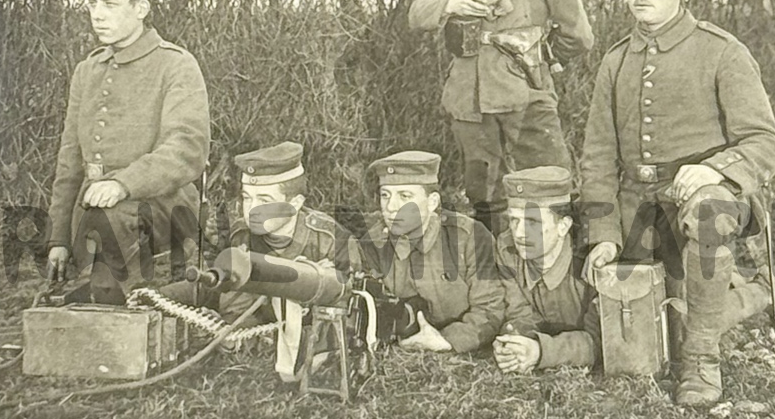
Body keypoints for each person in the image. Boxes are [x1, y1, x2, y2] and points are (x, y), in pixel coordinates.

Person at [578, 0, 775, 407]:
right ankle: (760, 292)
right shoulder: (615, 62)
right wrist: (603, 232)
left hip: (706, 202)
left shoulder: (721, 52)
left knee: (709, 217)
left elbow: (768, 142)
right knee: (636, 318)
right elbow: (597, 157)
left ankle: (701, 360)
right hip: (639, 207)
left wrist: (714, 170)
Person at [409, 0, 593, 234]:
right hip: (470, 102)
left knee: (549, 190)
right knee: (484, 198)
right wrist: (451, 5)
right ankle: (496, 279)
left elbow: (579, 36)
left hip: (526, 98)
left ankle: (562, 279)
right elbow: (418, 13)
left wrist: (539, 57)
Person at [45, 0, 210, 305]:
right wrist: (58, 238)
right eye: (92, 4)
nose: (97, 15)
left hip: (164, 208)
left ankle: (124, 318)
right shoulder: (87, 71)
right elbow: (70, 161)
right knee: (69, 288)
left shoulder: (175, 65)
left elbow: (186, 149)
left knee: (111, 234)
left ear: (141, 9)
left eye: (110, 4)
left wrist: (123, 184)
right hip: (93, 214)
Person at [217, 141, 355, 381]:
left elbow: (350, 309)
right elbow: (237, 308)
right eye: (247, 198)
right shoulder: (242, 236)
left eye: (264, 200)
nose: (251, 211)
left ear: (295, 204)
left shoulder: (330, 239)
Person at [351, 151, 505, 354]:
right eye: (385, 195)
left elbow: (490, 308)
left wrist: (448, 340)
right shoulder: (373, 244)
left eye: (405, 196)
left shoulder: (469, 237)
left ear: (432, 202)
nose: (391, 207)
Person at [493, 166, 600, 374]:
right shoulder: (507, 249)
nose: (519, 233)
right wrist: (516, 343)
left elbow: (600, 339)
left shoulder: (591, 258)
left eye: (533, 222)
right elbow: (518, 312)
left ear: (563, 226)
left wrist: (541, 351)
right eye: (514, 220)